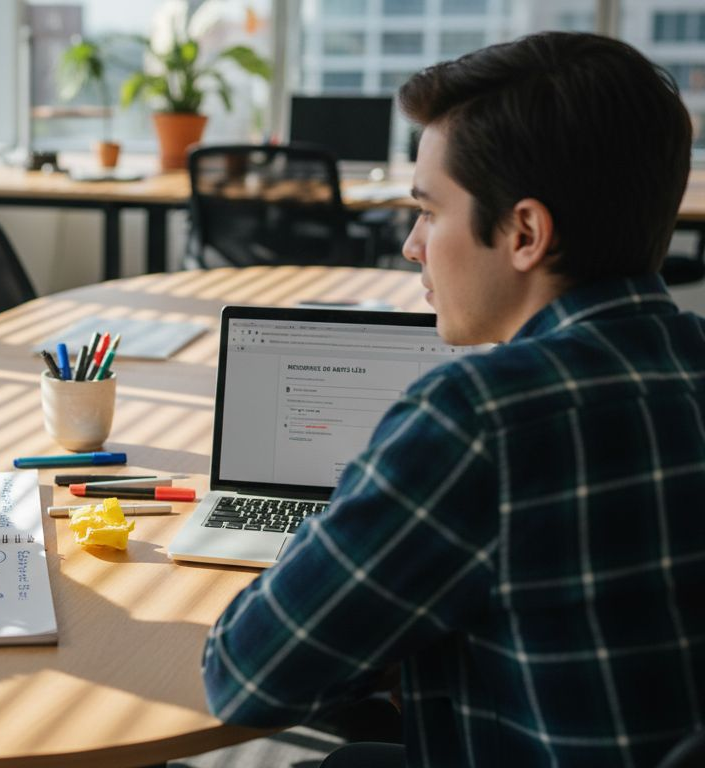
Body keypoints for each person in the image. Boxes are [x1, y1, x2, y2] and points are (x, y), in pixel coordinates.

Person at [203, 31, 704, 768]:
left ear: (525, 232)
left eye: (430, 211)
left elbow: (243, 677)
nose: (412, 245)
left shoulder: (478, 419)